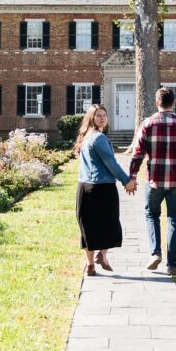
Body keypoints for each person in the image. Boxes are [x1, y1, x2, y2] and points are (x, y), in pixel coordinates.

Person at [129, 87, 176, 276]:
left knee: (152, 215)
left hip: (154, 179)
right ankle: (172, 264)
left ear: (156, 103)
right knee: (175, 218)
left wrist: (133, 176)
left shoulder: (147, 124)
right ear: (174, 103)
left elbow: (137, 154)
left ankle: (155, 252)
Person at [74, 104, 137, 276]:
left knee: (88, 227)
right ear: (91, 118)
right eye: (98, 116)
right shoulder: (99, 138)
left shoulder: (86, 136)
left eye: (104, 115)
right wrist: (127, 181)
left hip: (84, 187)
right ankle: (102, 256)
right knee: (109, 225)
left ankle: (90, 266)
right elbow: (111, 163)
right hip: (102, 188)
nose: (102, 118)